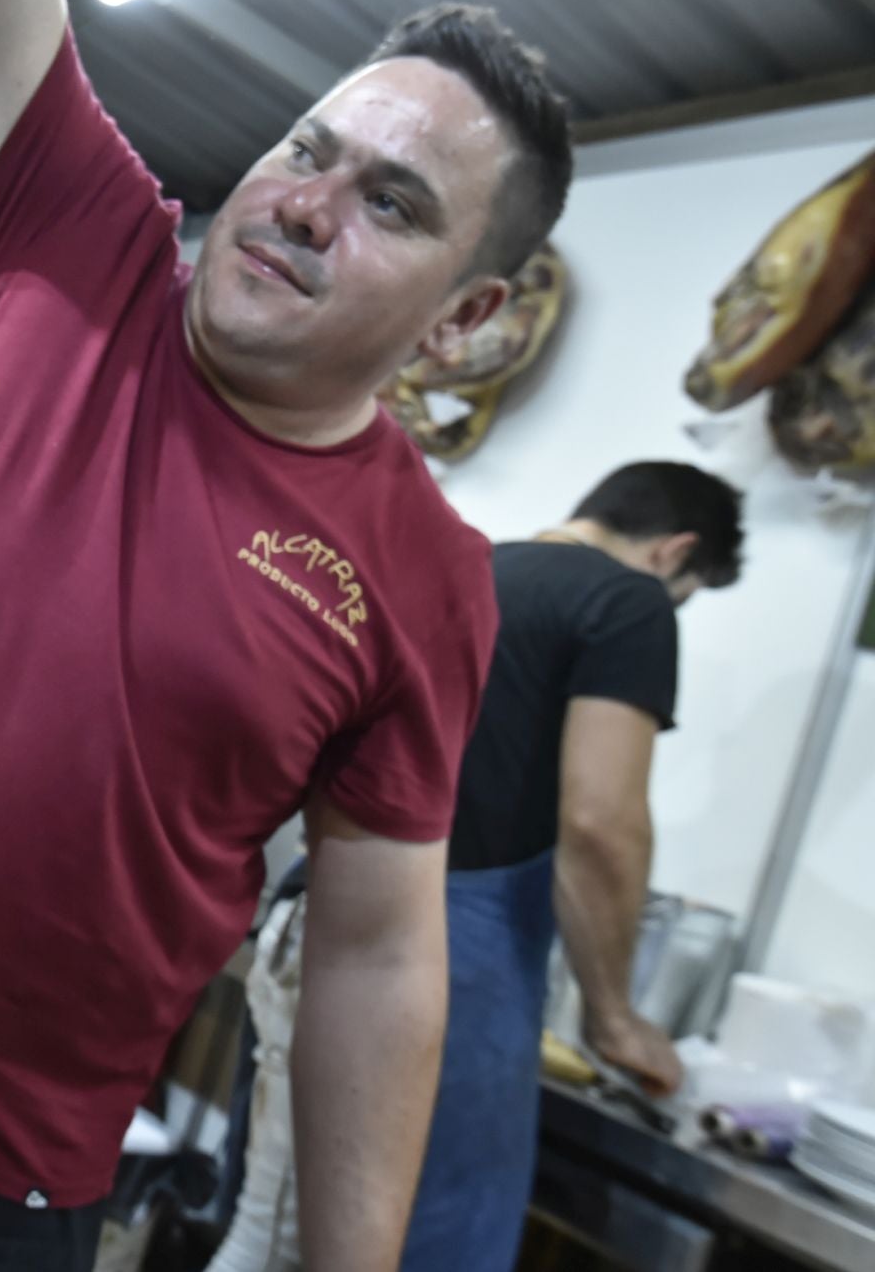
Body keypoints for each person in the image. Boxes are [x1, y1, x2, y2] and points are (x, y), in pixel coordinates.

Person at [0, 0, 573, 1269]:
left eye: (391, 205)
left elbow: (376, 947)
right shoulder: (66, 235)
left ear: (463, 319)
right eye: (306, 150)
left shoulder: (430, 576)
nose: (307, 204)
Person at [214, 461, 746, 1272]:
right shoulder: (627, 600)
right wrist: (614, 1018)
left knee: (285, 1230)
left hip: (329, 919)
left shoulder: (468, 570)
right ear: (675, 552)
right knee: (300, 1248)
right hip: (424, 963)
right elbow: (601, 822)